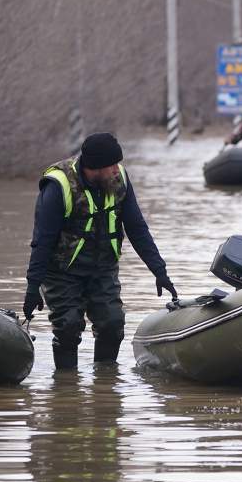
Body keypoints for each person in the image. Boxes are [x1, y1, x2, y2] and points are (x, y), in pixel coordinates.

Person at [24, 133, 178, 369]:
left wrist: (159, 271)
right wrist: (32, 287)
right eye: (112, 165)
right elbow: (42, 241)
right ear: (94, 168)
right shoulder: (58, 186)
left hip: (103, 268)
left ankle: (105, 385)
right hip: (62, 271)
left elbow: (137, 228)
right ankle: (66, 388)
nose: (118, 169)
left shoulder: (120, 180)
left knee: (112, 325)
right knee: (68, 327)